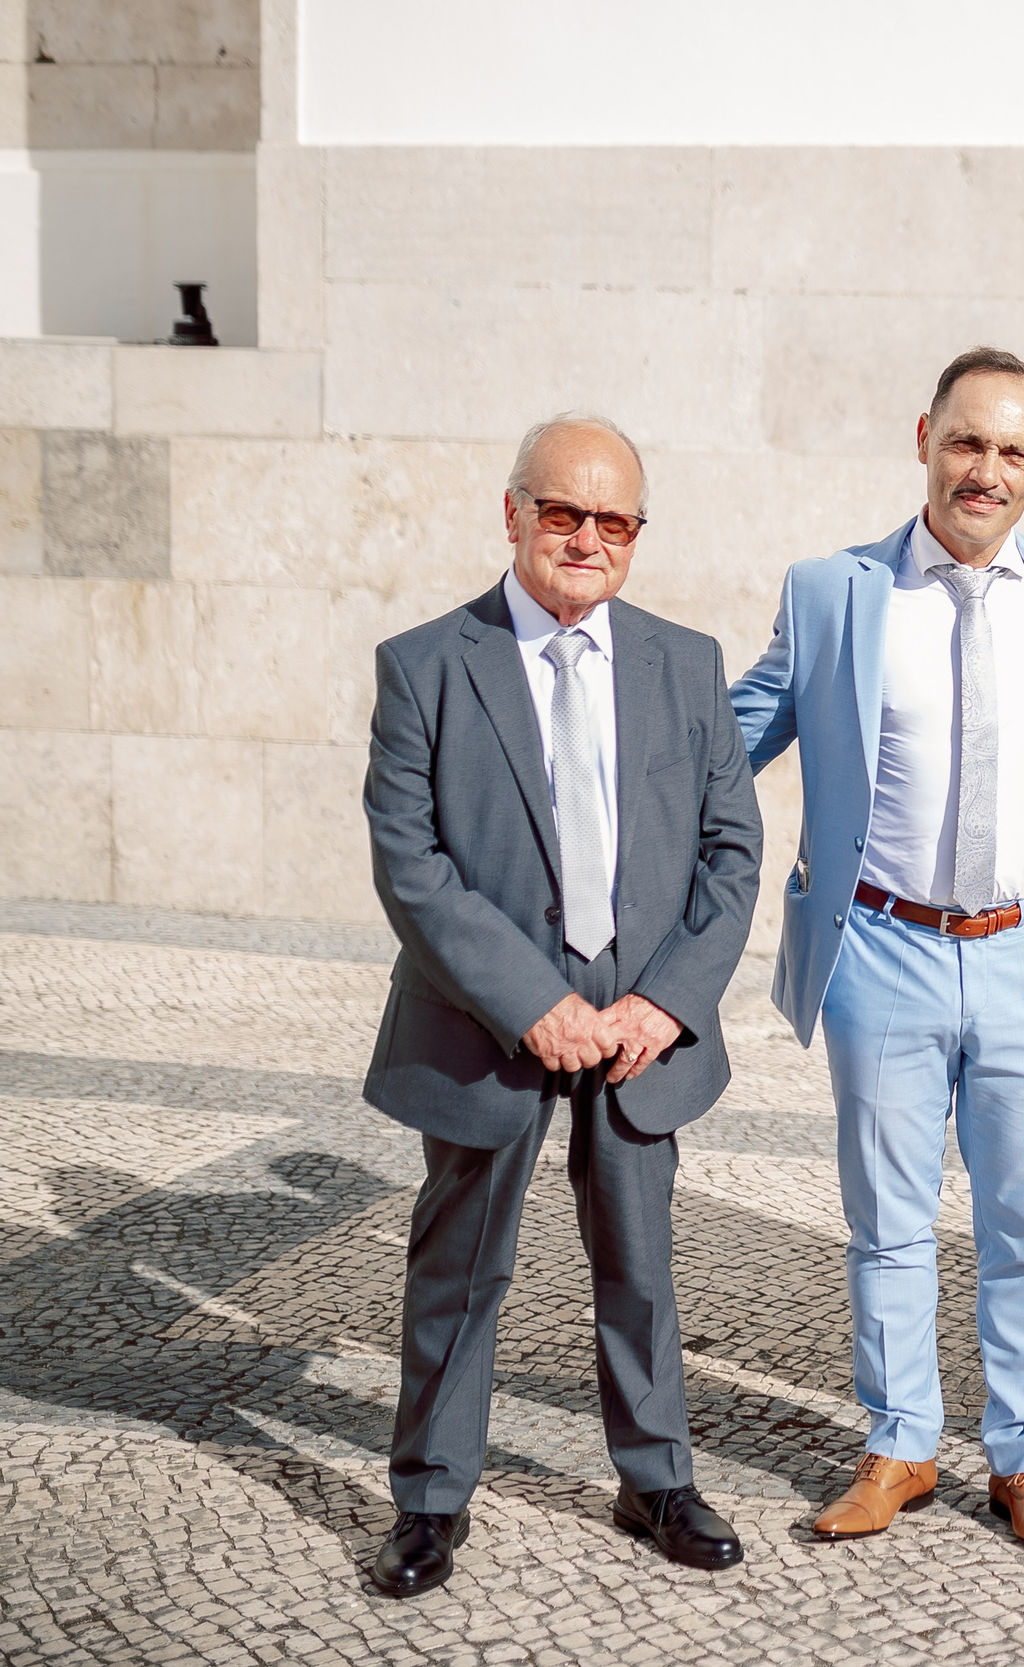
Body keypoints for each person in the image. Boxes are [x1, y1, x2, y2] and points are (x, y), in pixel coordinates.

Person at [728, 349, 1024, 1553]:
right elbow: (729, 736)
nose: (986, 470)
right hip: (880, 947)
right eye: (967, 442)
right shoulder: (833, 591)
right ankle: (900, 1443)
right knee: (888, 1220)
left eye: (1013, 451)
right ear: (925, 437)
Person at [359, 414, 763, 1597]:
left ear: (638, 533)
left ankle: (656, 1477)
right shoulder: (426, 662)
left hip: (637, 1027)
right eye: (563, 512)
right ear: (514, 512)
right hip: (490, 1019)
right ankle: (430, 1498)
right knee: (460, 1263)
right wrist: (530, 1001)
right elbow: (411, 862)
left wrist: (664, 1004)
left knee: (640, 1263)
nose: (587, 537)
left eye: (614, 520)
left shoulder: (684, 663)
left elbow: (732, 851)